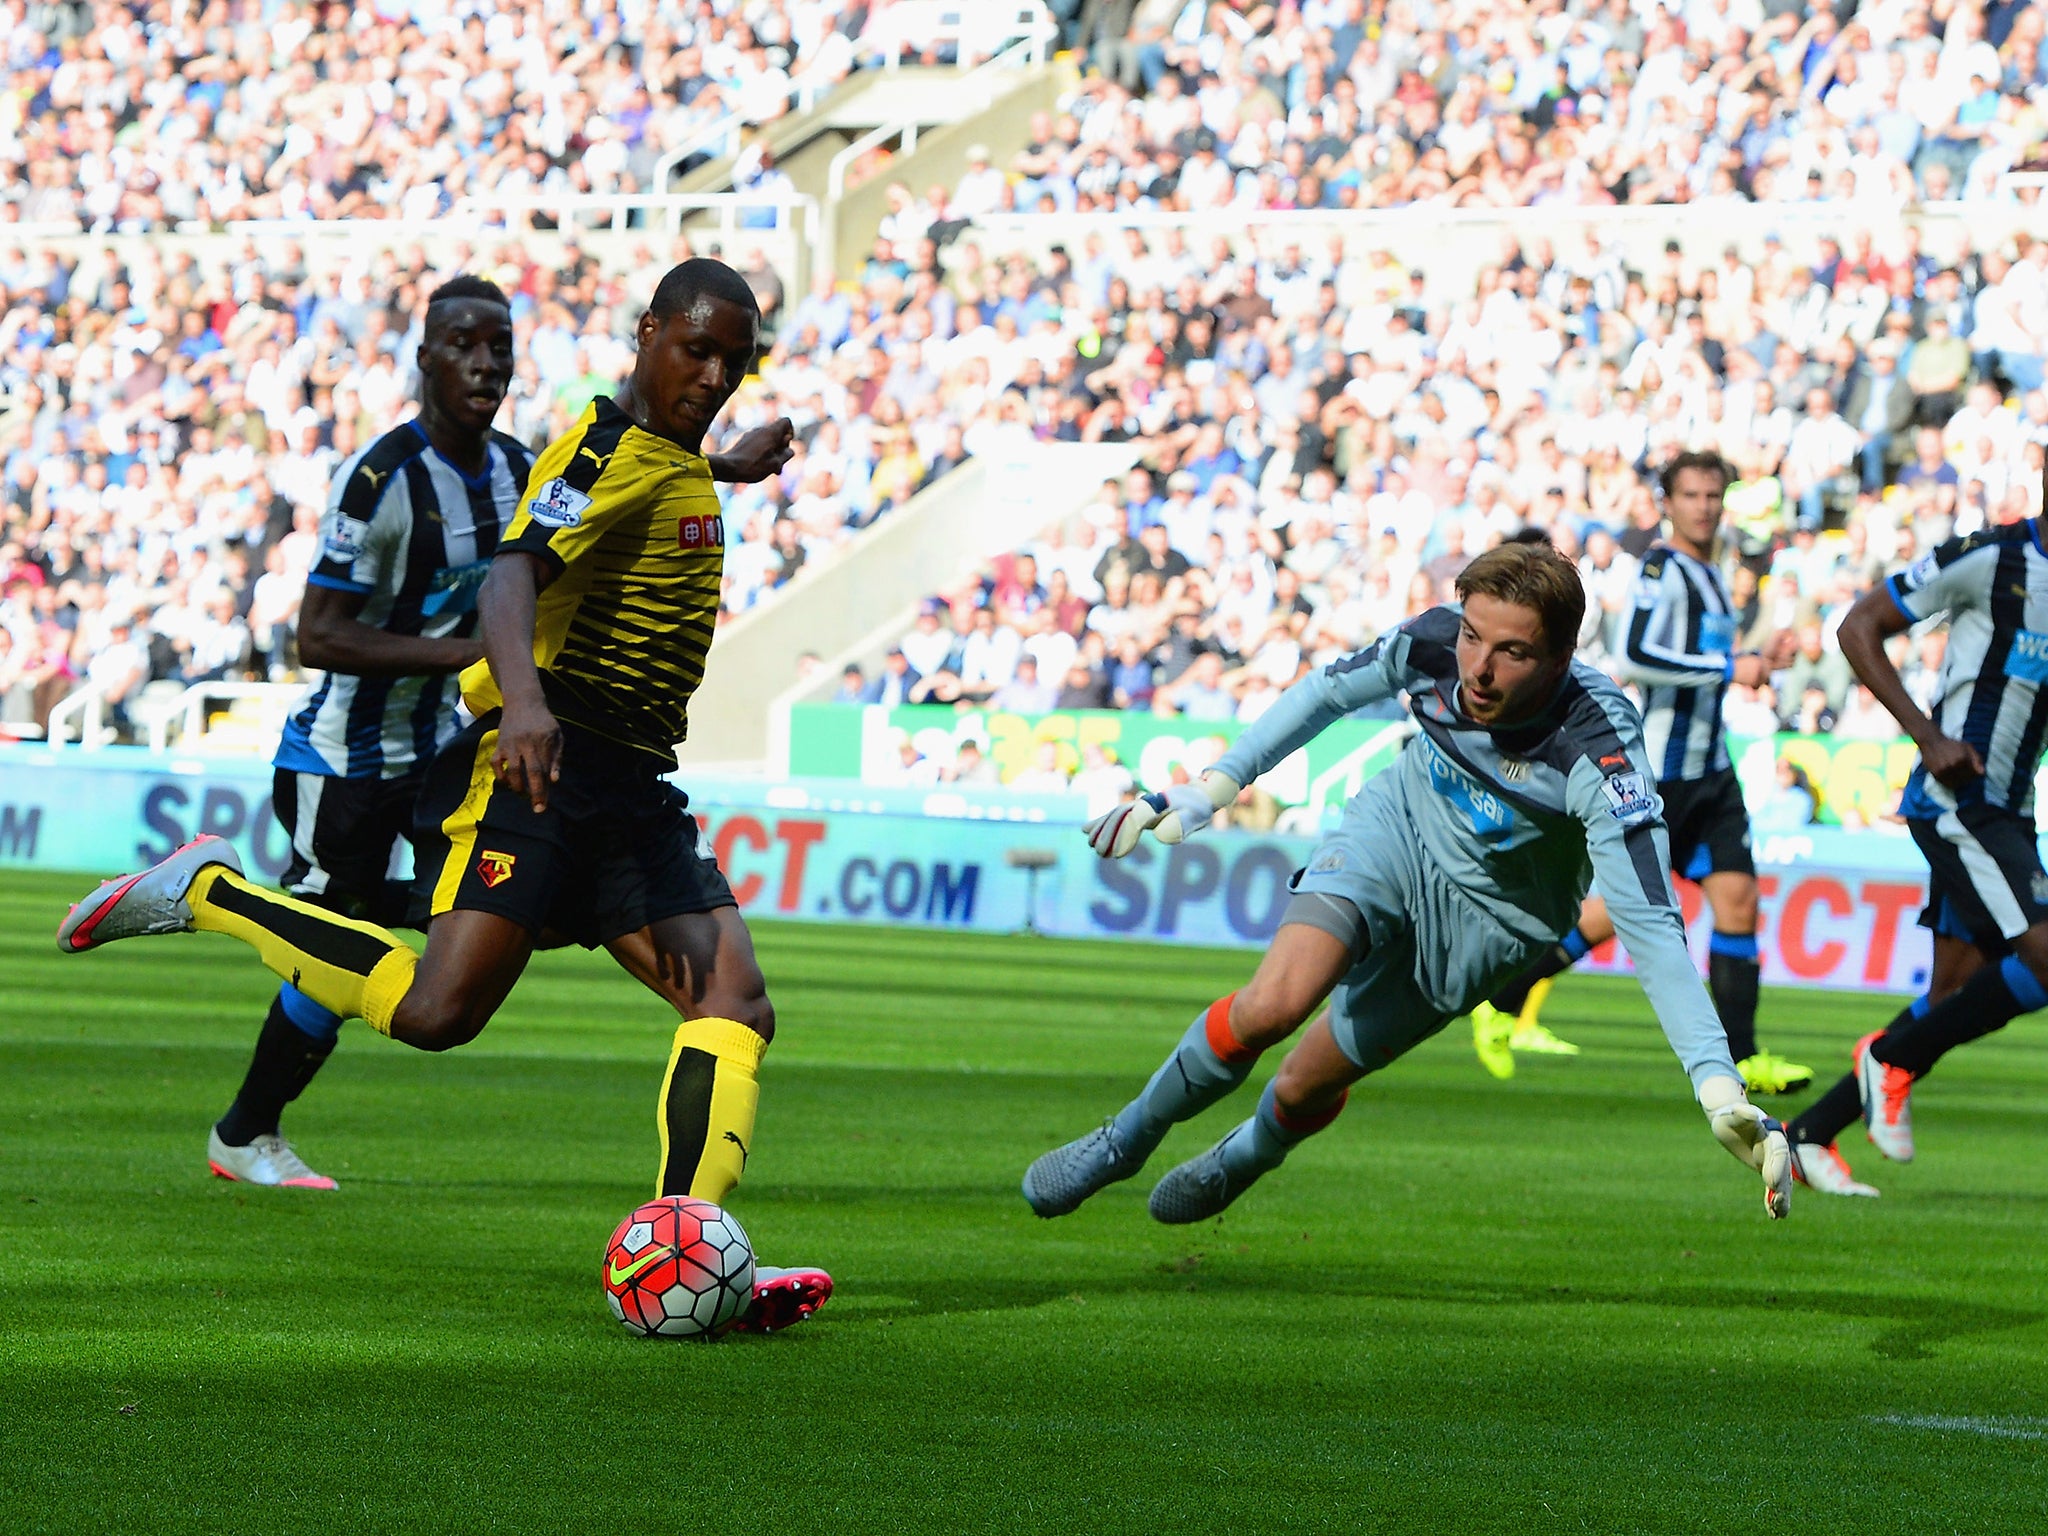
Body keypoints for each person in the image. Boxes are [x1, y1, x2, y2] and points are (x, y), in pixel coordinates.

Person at [57, 259, 832, 1333]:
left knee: (734, 1004)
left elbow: (646, 495)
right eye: (695, 350)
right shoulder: (603, 449)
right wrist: (520, 702)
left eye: (733, 363)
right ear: (646, 329)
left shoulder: (664, 454)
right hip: (544, 764)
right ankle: (213, 892)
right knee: (435, 1014)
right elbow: (513, 574)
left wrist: (728, 466)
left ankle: (693, 1251)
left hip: (633, 782)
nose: (713, 376)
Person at [1022, 544, 1791, 1227]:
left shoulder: (1598, 752)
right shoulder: (1429, 644)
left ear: (1560, 659)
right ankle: (1123, 1141)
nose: (1478, 670)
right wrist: (1216, 785)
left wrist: (1718, 1089)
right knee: (1271, 1006)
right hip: (1397, 830)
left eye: (1512, 652)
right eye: (1472, 636)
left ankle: (1246, 1157)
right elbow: (1325, 692)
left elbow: (1651, 923)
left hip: (1495, 922)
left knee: (1299, 1089)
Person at [202, 275, 537, 1190]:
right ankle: (243, 1128)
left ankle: (245, 1125)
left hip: (439, 754)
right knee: (338, 937)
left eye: (499, 345)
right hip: (341, 757)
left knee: (475, 918)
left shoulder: (518, 467)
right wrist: (477, 654)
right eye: (464, 342)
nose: (484, 361)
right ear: (425, 358)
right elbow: (317, 635)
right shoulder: (382, 480)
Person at [1470, 454, 1813, 1096]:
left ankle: (1743, 1059)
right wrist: (1727, 669)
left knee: (1738, 903)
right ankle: (1506, 991)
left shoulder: (1715, 574)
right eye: (1692, 495)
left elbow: (1705, 657)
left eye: (1715, 494)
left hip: (1713, 769)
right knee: (1613, 914)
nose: (1706, 506)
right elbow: (1637, 652)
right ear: (1668, 503)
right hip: (1663, 773)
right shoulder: (1662, 567)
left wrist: (1756, 659)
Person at [1783, 505, 2048, 1197]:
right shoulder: (1991, 557)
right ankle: (1891, 1060)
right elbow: (1857, 626)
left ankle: (1808, 1133)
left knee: (1953, 993)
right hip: (1960, 800)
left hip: (2010, 814)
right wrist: (1928, 738)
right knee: (2046, 956)